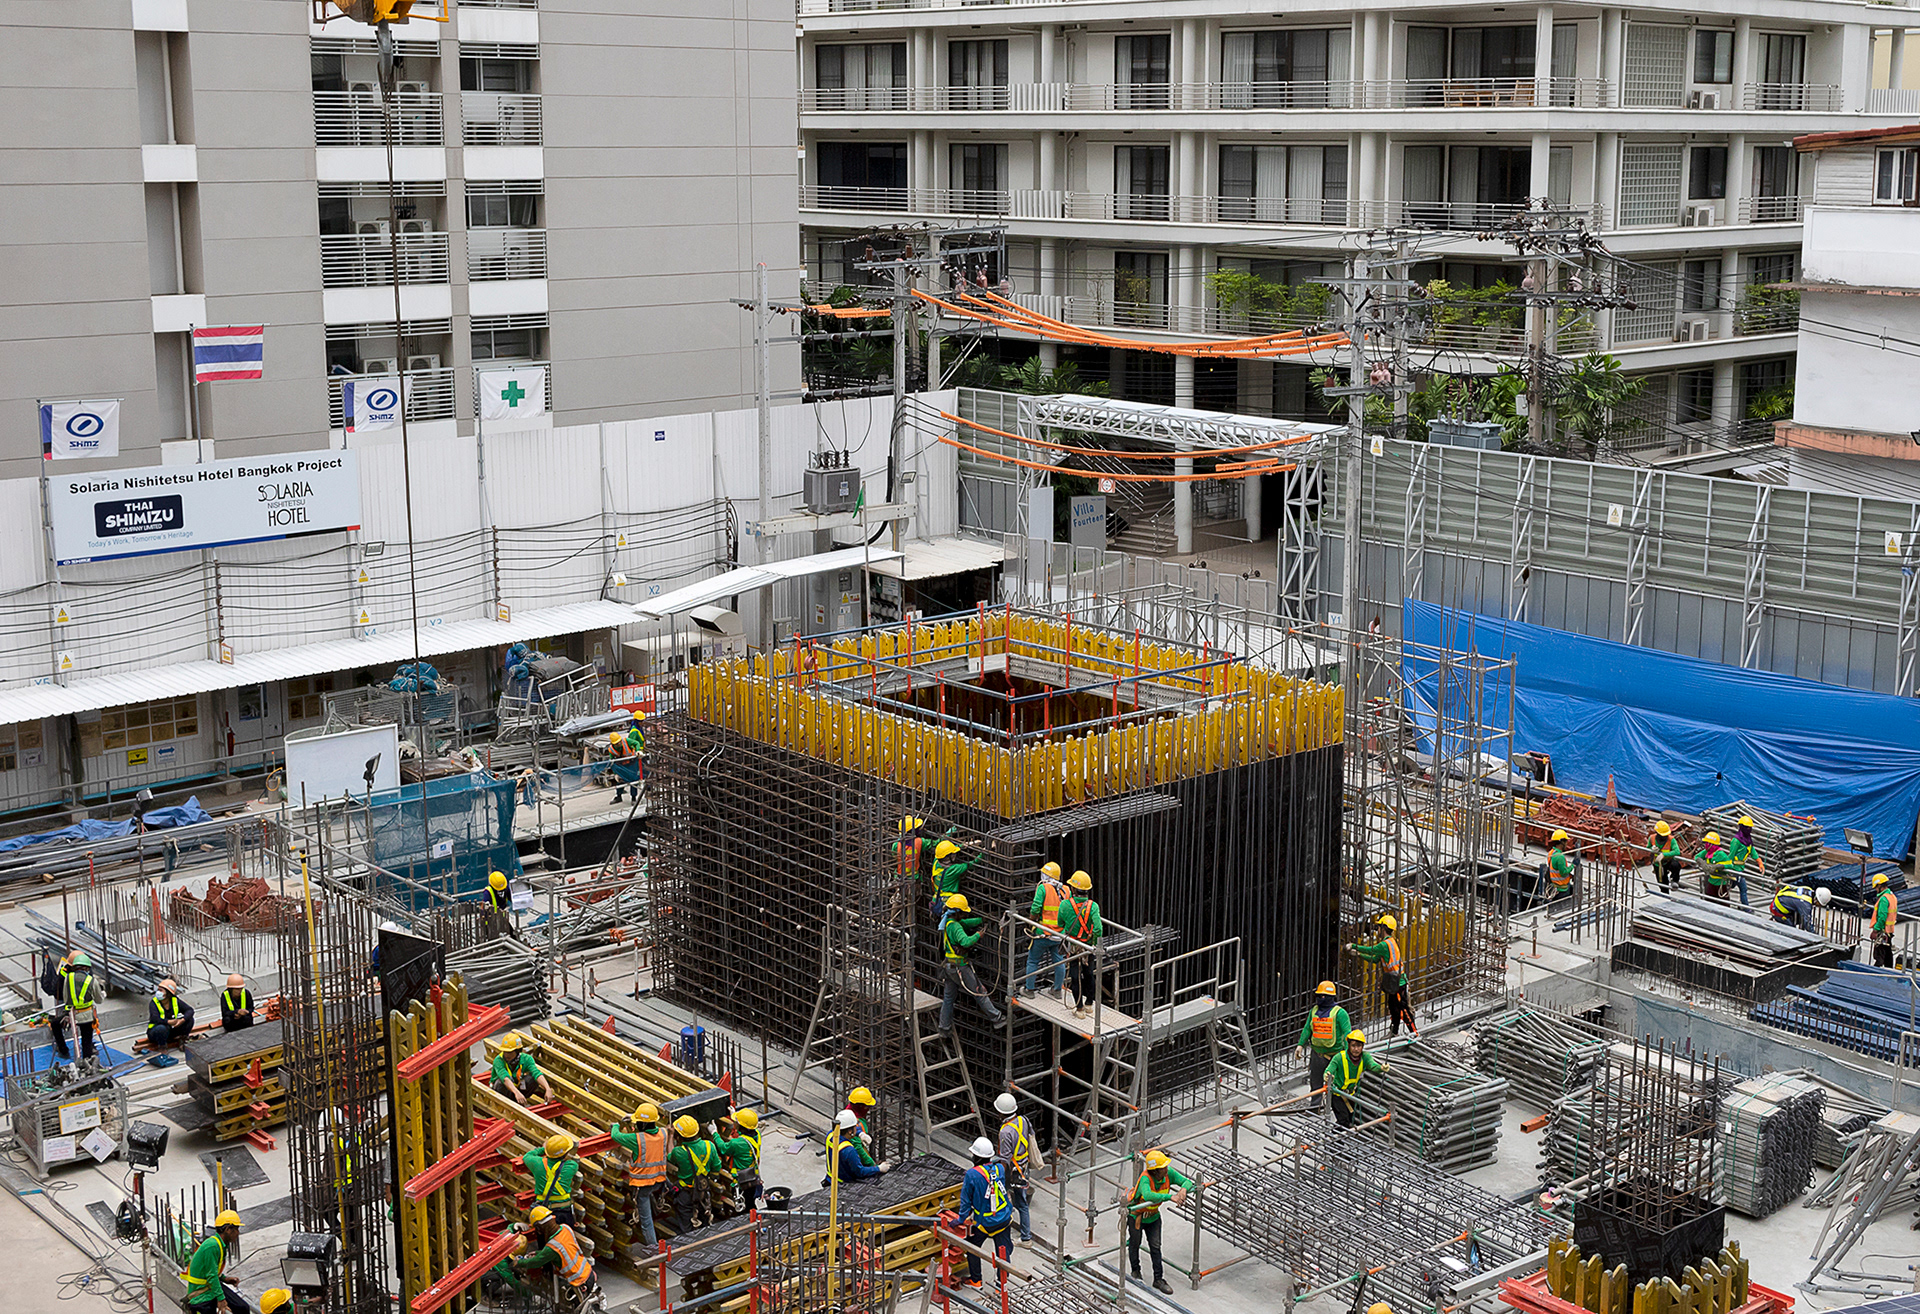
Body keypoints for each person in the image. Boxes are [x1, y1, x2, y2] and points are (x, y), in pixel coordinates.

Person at [1126, 1149, 1193, 1296]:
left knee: (1155, 1247)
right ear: (1155, 1171)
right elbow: (1148, 1194)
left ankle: (1158, 1279)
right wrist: (1171, 1197)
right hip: (1137, 1216)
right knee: (1134, 1244)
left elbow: (1187, 1181)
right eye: (1163, 1167)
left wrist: (1183, 1190)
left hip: (1153, 1217)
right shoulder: (1145, 1178)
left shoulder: (1168, 1174)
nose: (1166, 1169)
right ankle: (1136, 1272)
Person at [509, 1205, 600, 1313]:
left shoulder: (552, 1247)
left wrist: (519, 1262)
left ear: (539, 1227)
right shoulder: (566, 1228)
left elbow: (536, 1262)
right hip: (588, 1272)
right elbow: (559, 1250)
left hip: (579, 1283)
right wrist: (538, 1253)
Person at [952, 1136, 1015, 1288]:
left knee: (972, 1246)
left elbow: (966, 1201)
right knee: (1003, 1251)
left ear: (976, 1156)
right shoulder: (999, 1168)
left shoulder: (972, 1175)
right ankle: (1002, 1285)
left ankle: (976, 1280)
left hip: (985, 1222)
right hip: (1004, 1217)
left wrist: (959, 1220)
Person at [938, 895, 1006, 1033]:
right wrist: (978, 935)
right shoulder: (955, 927)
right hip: (960, 967)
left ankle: (944, 1028)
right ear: (957, 912)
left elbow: (967, 922)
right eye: (963, 912)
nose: (964, 914)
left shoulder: (948, 922)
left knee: (948, 998)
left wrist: (982, 919)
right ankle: (997, 1019)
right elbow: (966, 942)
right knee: (979, 992)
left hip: (949, 967)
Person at [608, 1102, 670, 1254]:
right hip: (659, 1181)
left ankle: (654, 1248)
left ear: (641, 1124)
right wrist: (634, 1117)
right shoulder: (663, 1133)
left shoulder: (637, 1139)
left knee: (646, 1220)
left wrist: (616, 1125)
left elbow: (616, 1136)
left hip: (642, 1184)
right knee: (652, 1202)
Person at [1348, 915, 1417, 1038]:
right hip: (1393, 982)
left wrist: (1354, 946)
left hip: (1398, 983)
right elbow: (1374, 959)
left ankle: (1414, 1032)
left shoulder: (1384, 945)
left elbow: (1370, 950)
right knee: (1393, 1009)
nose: (1377, 930)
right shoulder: (1390, 943)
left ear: (1383, 928)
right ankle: (1394, 1032)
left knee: (1403, 1009)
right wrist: (1358, 955)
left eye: (1379, 927)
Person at [1295, 980, 1351, 1112]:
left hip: (1335, 1055)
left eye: (1323, 996)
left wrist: (1348, 1055)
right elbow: (1307, 1029)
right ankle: (1315, 1107)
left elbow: (1347, 1034)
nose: (1320, 999)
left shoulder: (1340, 1013)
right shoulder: (1314, 1011)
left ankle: (1338, 1109)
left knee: (1337, 1084)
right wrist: (1300, 1045)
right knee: (1316, 1082)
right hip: (1317, 1054)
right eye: (1319, 996)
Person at [1019, 861, 1071, 999]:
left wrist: (1031, 919)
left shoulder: (1043, 888)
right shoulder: (1066, 890)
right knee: (1059, 961)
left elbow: (1036, 908)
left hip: (1043, 933)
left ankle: (1029, 990)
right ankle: (1057, 990)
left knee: (1033, 961)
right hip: (1059, 935)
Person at [994, 1092, 1039, 1244]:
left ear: (1001, 1112)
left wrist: (1000, 1175)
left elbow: (1005, 1158)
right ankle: (1025, 1235)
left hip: (1013, 1171)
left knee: (1009, 1200)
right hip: (1024, 1167)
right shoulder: (1023, 1120)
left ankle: (1025, 1238)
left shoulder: (1005, 1131)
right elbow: (1031, 1135)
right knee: (1023, 1203)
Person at [183, 1210, 249, 1313]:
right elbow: (211, 1276)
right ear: (228, 1229)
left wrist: (225, 1279)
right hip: (201, 1294)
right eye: (236, 1229)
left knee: (242, 1308)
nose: (238, 1233)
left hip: (209, 1286)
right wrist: (221, 1299)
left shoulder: (220, 1245)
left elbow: (211, 1270)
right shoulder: (212, 1246)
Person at [1059, 871, 1105, 1018]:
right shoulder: (1093, 906)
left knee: (1075, 976)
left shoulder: (1065, 905)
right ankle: (1090, 1004)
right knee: (1089, 973)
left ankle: (1079, 1009)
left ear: (1073, 889)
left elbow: (1060, 924)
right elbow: (1098, 928)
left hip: (1073, 946)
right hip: (1088, 947)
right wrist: (1093, 943)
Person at [667, 1115, 721, 1231]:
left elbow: (670, 1156)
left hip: (685, 1193)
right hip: (703, 1191)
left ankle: (690, 1247)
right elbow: (717, 1167)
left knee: (686, 1226)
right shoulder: (709, 1146)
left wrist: (670, 1135)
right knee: (705, 1222)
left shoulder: (679, 1151)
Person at [1327, 1030, 1389, 1128]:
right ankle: (1336, 1141)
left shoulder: (1365, 1057)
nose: (1356, 1049)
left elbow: (1372, 1065)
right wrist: (1328, 1076)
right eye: (1353, 1046)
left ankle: (1341, 1138)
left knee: (1351, 1118)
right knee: (1343, 1120)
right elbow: (1329, 1070)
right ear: (1349, 1045)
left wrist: (1381, 1068)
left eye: (1359, 1046)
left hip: (1350, 1094)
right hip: (1337, 1094)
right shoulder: (1339, 1058)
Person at [829, 1109, 891, 1184]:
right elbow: (860, 1172)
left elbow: (848, 1130)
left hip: (830, 1179)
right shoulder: (850, 1151)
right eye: (855, 1126)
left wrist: (859, 1133)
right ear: (850, 1131)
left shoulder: (830, 1135)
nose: (857, 1127)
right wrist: (878, 1168)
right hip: (843, 1184)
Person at [718, 1108, 762, 1213]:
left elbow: (723, 1148)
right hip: (752, 1177)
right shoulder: (757, 1135)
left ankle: (748, 1223)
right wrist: (736, 1118)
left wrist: (715, 1133)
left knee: (743, 1205)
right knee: (750, 1201)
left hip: (741, 1181)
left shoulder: (737, 1143)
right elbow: (744, 1130)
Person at [491, 1035, 551, 1106]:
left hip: (517, 1087)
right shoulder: (499, 1060)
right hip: (503, 1090)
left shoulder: (526, 1059)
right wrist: (517, 1093)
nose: (506, 1055)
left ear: (517, 1051)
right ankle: (508, 1103)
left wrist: (547, 1089)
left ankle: (520, 1100)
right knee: (500, 1083)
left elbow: (536, 1073)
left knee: (532, 1079)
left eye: (510, 1052)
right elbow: (505, 1078)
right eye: (505, 1051)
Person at [147, 978, 196, 1062]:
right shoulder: (154, 1002)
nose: (158, 992)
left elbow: (190, 1010)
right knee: (162, 1028)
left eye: (161, 990)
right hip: (156, 1032)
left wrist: (182, 1020)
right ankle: (162, 1046)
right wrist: (168, 1022)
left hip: (171, 1030)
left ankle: (183, 1040)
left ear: (168, 993)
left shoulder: (174, 1000)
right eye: (158, 990)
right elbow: (155, 1018)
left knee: (189, 1020)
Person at [1726, 815, 1765, 907]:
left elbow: (1752, 850)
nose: (1749, 829)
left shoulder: (1748, 839)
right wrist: (1728, 869)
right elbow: (1731, 855)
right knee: (1743, 888)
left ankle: (1725, 899)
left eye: (1750, 828)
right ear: (1742, 827)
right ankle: (1745, 907)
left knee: (1730, 886)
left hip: (1741, 868)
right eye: (1747, 827)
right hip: (1735, 869)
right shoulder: (1736, 841)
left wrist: (1759, 862)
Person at [930, 839, 970, 921]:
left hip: (936, 899)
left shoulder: (936, 862)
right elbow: (971, 864)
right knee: (950, 923)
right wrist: (982, 855)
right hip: (949, 902)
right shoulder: (953, 869)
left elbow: (943, 851)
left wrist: (962, 846)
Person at [1869, 872, 1898, 968]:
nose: (1876, 890)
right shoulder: (1892, 897)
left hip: (1882, 931)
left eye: (1876, 887)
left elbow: (1882, 917)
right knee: (1887, 955)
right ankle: (1889, 971)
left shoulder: (1884, 899)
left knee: (1879, 956)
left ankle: (1875, 974)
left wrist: (1875, 930)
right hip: (1889, 932)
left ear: (1880, 886)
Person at [844, 1087, 879, 1165]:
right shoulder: (854, 1122)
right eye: (867, 1106)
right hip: (853, 1162)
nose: (868, 1109)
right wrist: (872, 1165)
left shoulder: (847, 1113)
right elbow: (858, 1148)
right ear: (860, 1106)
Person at [1540, 830, 1576, 903]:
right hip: (1562, 889)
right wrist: (1573, 865)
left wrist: (1570, 876)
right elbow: (1563, 872)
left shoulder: (1552, 852)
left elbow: (1556, 870)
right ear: (1562, 842)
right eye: (1565, 841)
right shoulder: (1560, 857)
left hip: (1555, 885)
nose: (1566, 843)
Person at [1698, 831, 1735, 900]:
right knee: (1709, 901)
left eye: (1706, 843)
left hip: (1721, 884)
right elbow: (1697, 857)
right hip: (1711, 882)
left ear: (1711, 844)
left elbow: (1730, 865)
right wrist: (1702, 863)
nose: (1705, 845)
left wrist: (1719, 866)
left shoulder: (1721, 854)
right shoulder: (1707, 852)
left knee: (1724, 904)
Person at [1651, 821, 1685, 892]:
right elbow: (1647, 848)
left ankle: (1674, 880)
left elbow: (1677, 851)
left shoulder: (1671, 840)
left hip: (1668, 861)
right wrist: (1652, 849)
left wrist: (1664, 855)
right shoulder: (1652, 838)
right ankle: (1665, 895)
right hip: (1658, 864)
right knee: (1663, 883)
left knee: (1676, 865)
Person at [486, 870, 516, 939]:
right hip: (491, 918)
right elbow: (483, 907)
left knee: (510, 933)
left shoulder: (505, 887)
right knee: (492, 936)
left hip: (501, 916)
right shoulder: (488, 892)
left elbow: (511, 898)